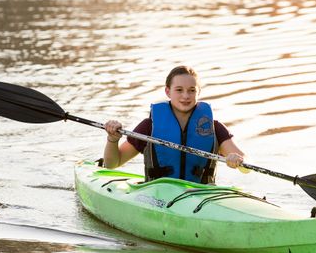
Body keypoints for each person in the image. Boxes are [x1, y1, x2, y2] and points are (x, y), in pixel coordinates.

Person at [103, 65, 245, 183]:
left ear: (198, 92)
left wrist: (237, 160)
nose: (185, 96)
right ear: (168, 91)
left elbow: (246, 166)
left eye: (192, 90)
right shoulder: (149, 127)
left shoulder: (215, 128)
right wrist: (113, 140)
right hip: (157, 194)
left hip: (200, 194)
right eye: (179, 90)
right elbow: (112, 164)